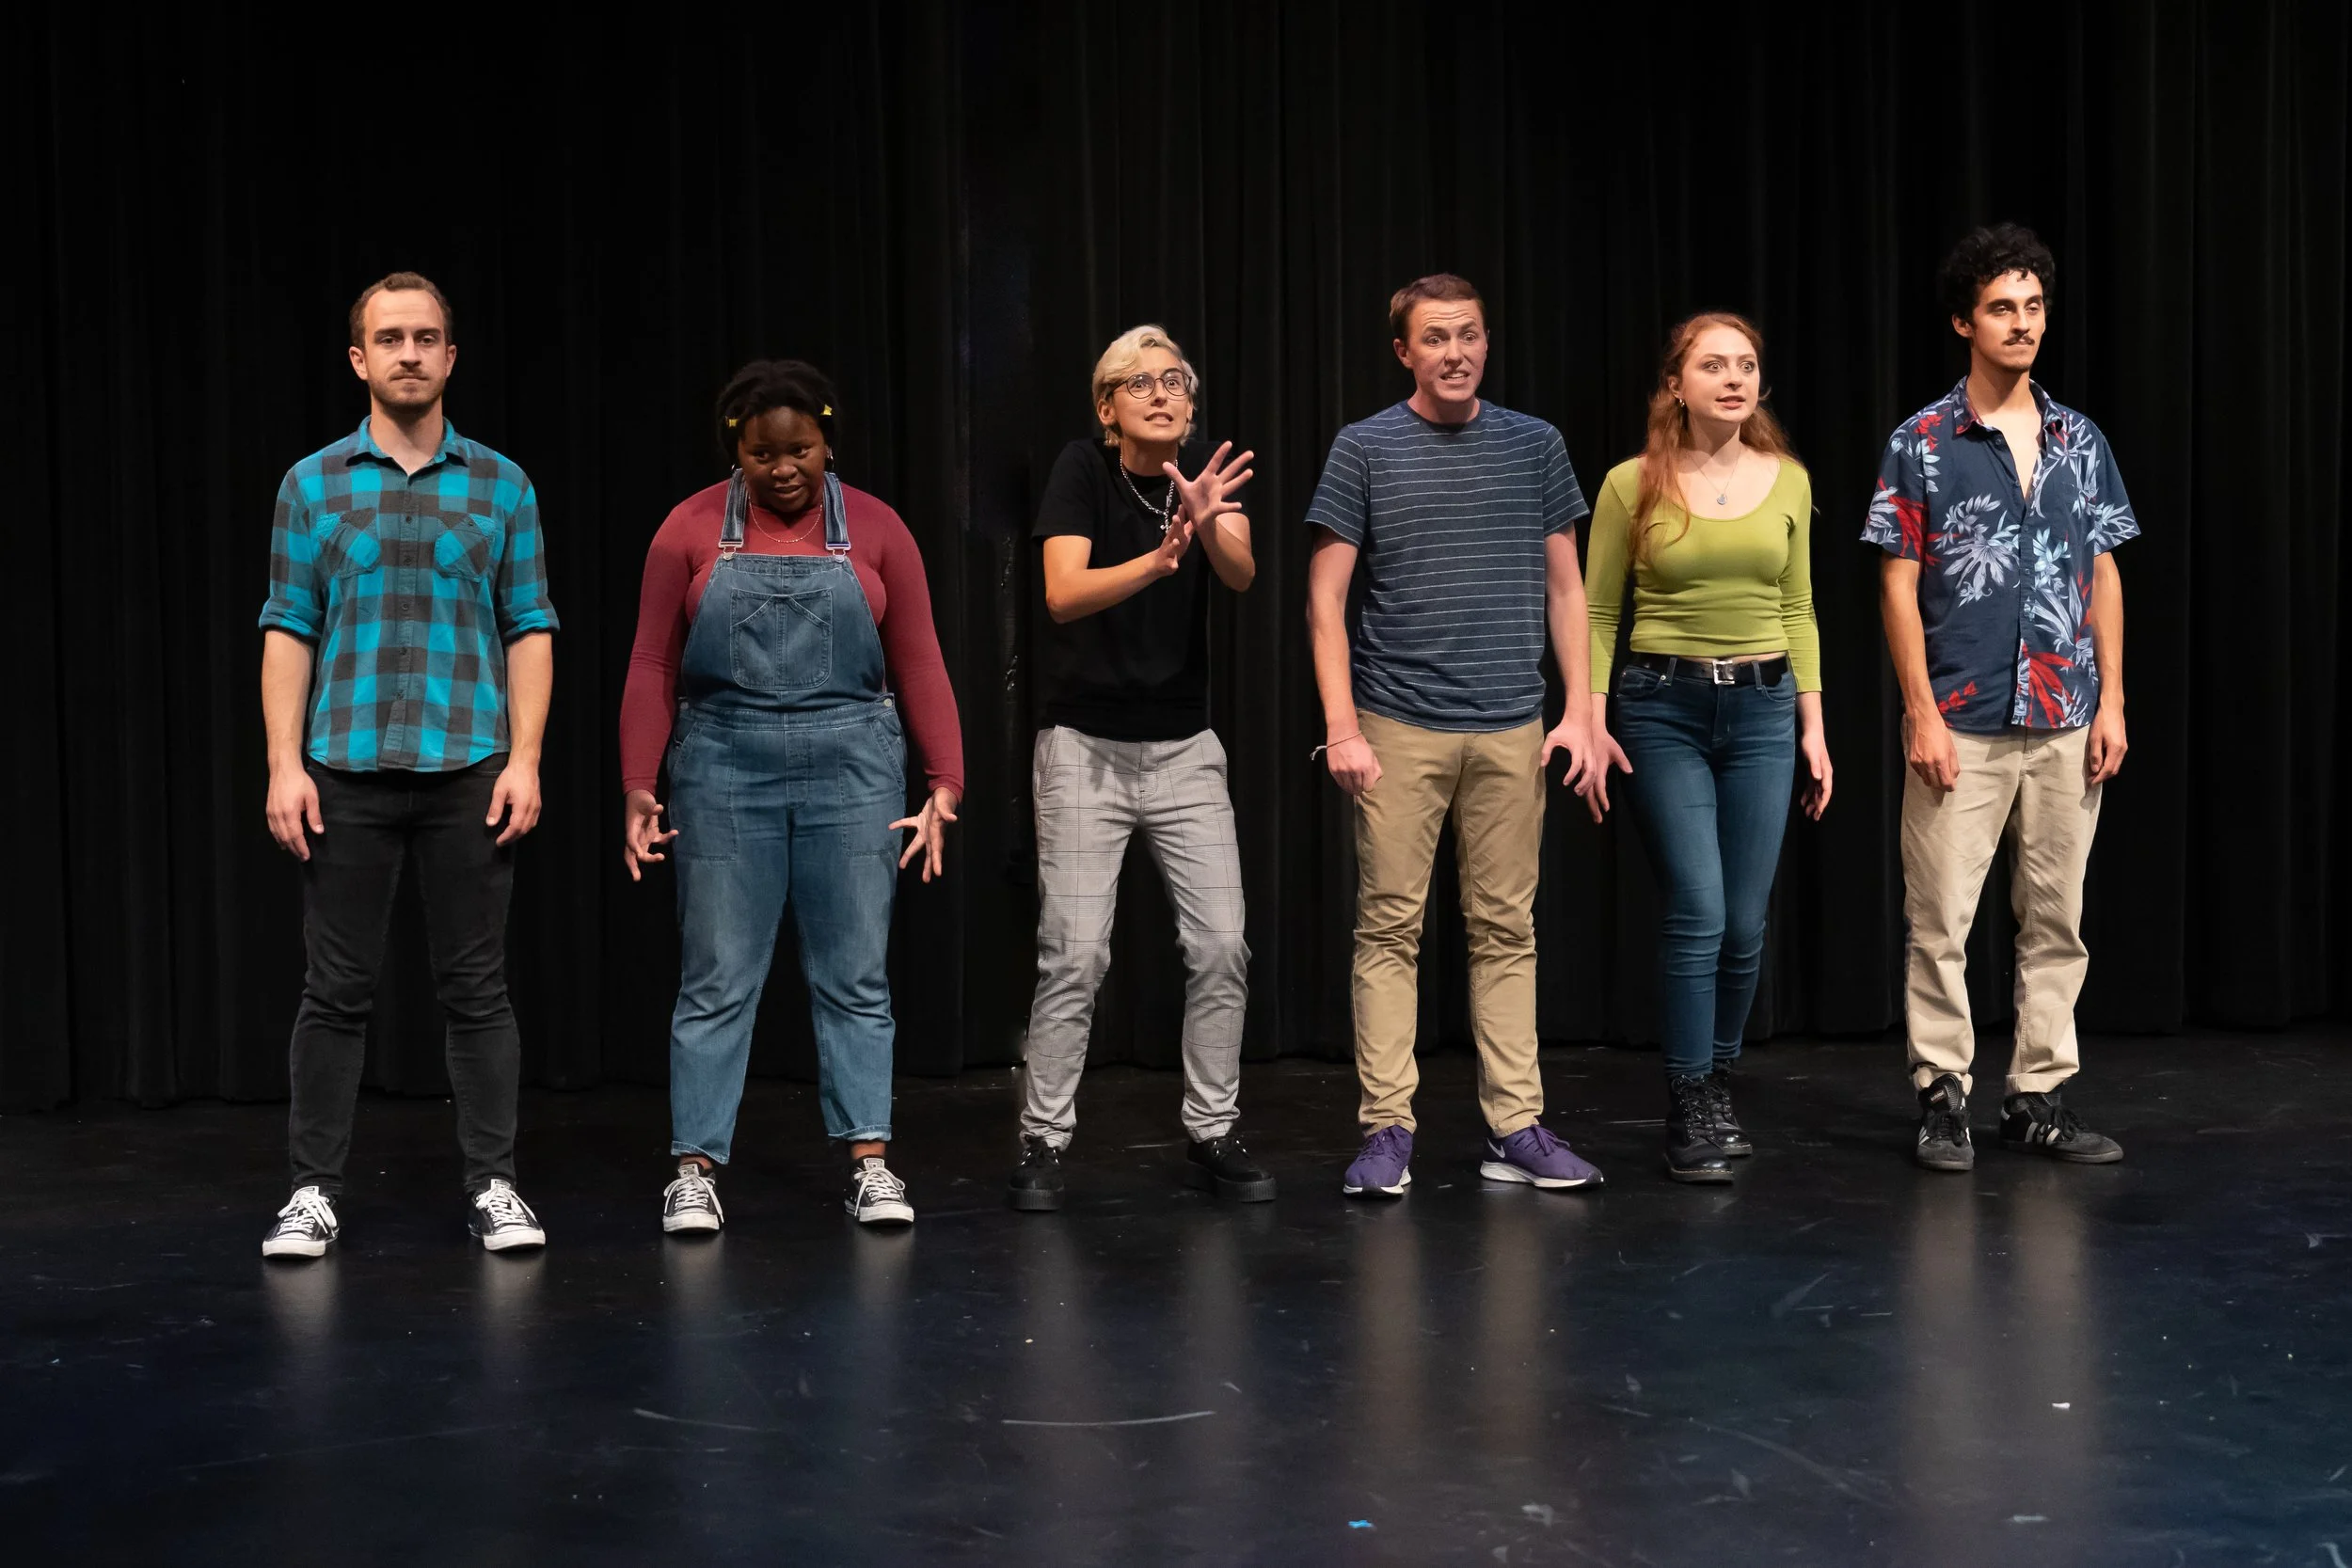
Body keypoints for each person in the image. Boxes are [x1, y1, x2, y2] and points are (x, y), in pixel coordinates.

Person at [619, 360, 963, 1231]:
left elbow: (920, 659)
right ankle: (694, 1168)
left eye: (800, 450)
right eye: (761, 453)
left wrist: (946, 780)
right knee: (717, 975)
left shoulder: (877, 528)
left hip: (853, 764)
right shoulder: (687, 528)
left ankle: (870, 1161)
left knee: (854, 973)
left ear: (827, 442)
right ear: (735, 450)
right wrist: (638, 784)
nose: (782, 468)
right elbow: (653, 663)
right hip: (722, 762)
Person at [256, 272, 559, 1259]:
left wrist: (525, 759)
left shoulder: (504, 484)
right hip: (343, 767)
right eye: (390, 339)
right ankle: (311, 1191)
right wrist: (283, 765)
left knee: (477, 989)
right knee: (335, 990)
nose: (409, 354)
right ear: (360, 359)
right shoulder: (311, 484)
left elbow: (530, 625)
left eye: (426, 337)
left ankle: (494, 1184)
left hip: (468, 765)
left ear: (451, 355)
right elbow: (289, 625)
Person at [1304, 273, 1615, 1199]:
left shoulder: (1534, 444)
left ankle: (1515, 1124)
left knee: (1506, 928)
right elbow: (1324, 600)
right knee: (1388, 927)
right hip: (1397, 724)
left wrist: (1580, 710)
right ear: (1404, 351)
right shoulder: (1364, 447)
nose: (1455, 353)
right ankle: (1386, 1128)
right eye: (1435, 338)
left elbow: (1568, 587)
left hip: (1511, 724)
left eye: (1469, 335)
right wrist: (1342, 727)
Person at [1864, 224, 2136, 1171]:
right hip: (1962, 716)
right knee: (1940, 919)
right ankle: (1943, 1094)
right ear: (1963, 322)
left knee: (2056, 919)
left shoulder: (2079, 439)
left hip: (2065, 714)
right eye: (2000, 308)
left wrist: (2112, 701)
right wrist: (1919, 710)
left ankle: (2038, 1093)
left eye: (2033, 306)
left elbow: (2103, 571)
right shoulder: (1921, 441)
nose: (2021, 323)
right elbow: (1897, 581)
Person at [1006, 326, 1264, 1212]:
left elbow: (1241, 574)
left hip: (1186, 747)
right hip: (1086, 745)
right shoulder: (1083, 469)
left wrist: (1205, 517)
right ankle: (1043, 1137)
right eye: (1139, 383)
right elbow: (1061, 593)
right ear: (1108, 408)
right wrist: (1157, 560)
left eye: (1174, 382)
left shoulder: (1205, 476)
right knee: (1076, 953)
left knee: (1222, 943)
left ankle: (1212, 1129)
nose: (1162, 394)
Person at [1584, 313, 1833, 1183]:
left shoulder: (1790, 480)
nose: (1733, 379)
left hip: (1764, 710)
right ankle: (1690, 1096)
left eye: (1747, 365)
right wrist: (1590, 716)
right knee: (1699, 907)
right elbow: (1600, 612)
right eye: (1713, 365)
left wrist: (1814, 724)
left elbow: (1798, 607)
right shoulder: (1630, 484)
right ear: (1675, 385)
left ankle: (1718, 1075)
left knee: (1746, 921)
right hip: (1663, 709)